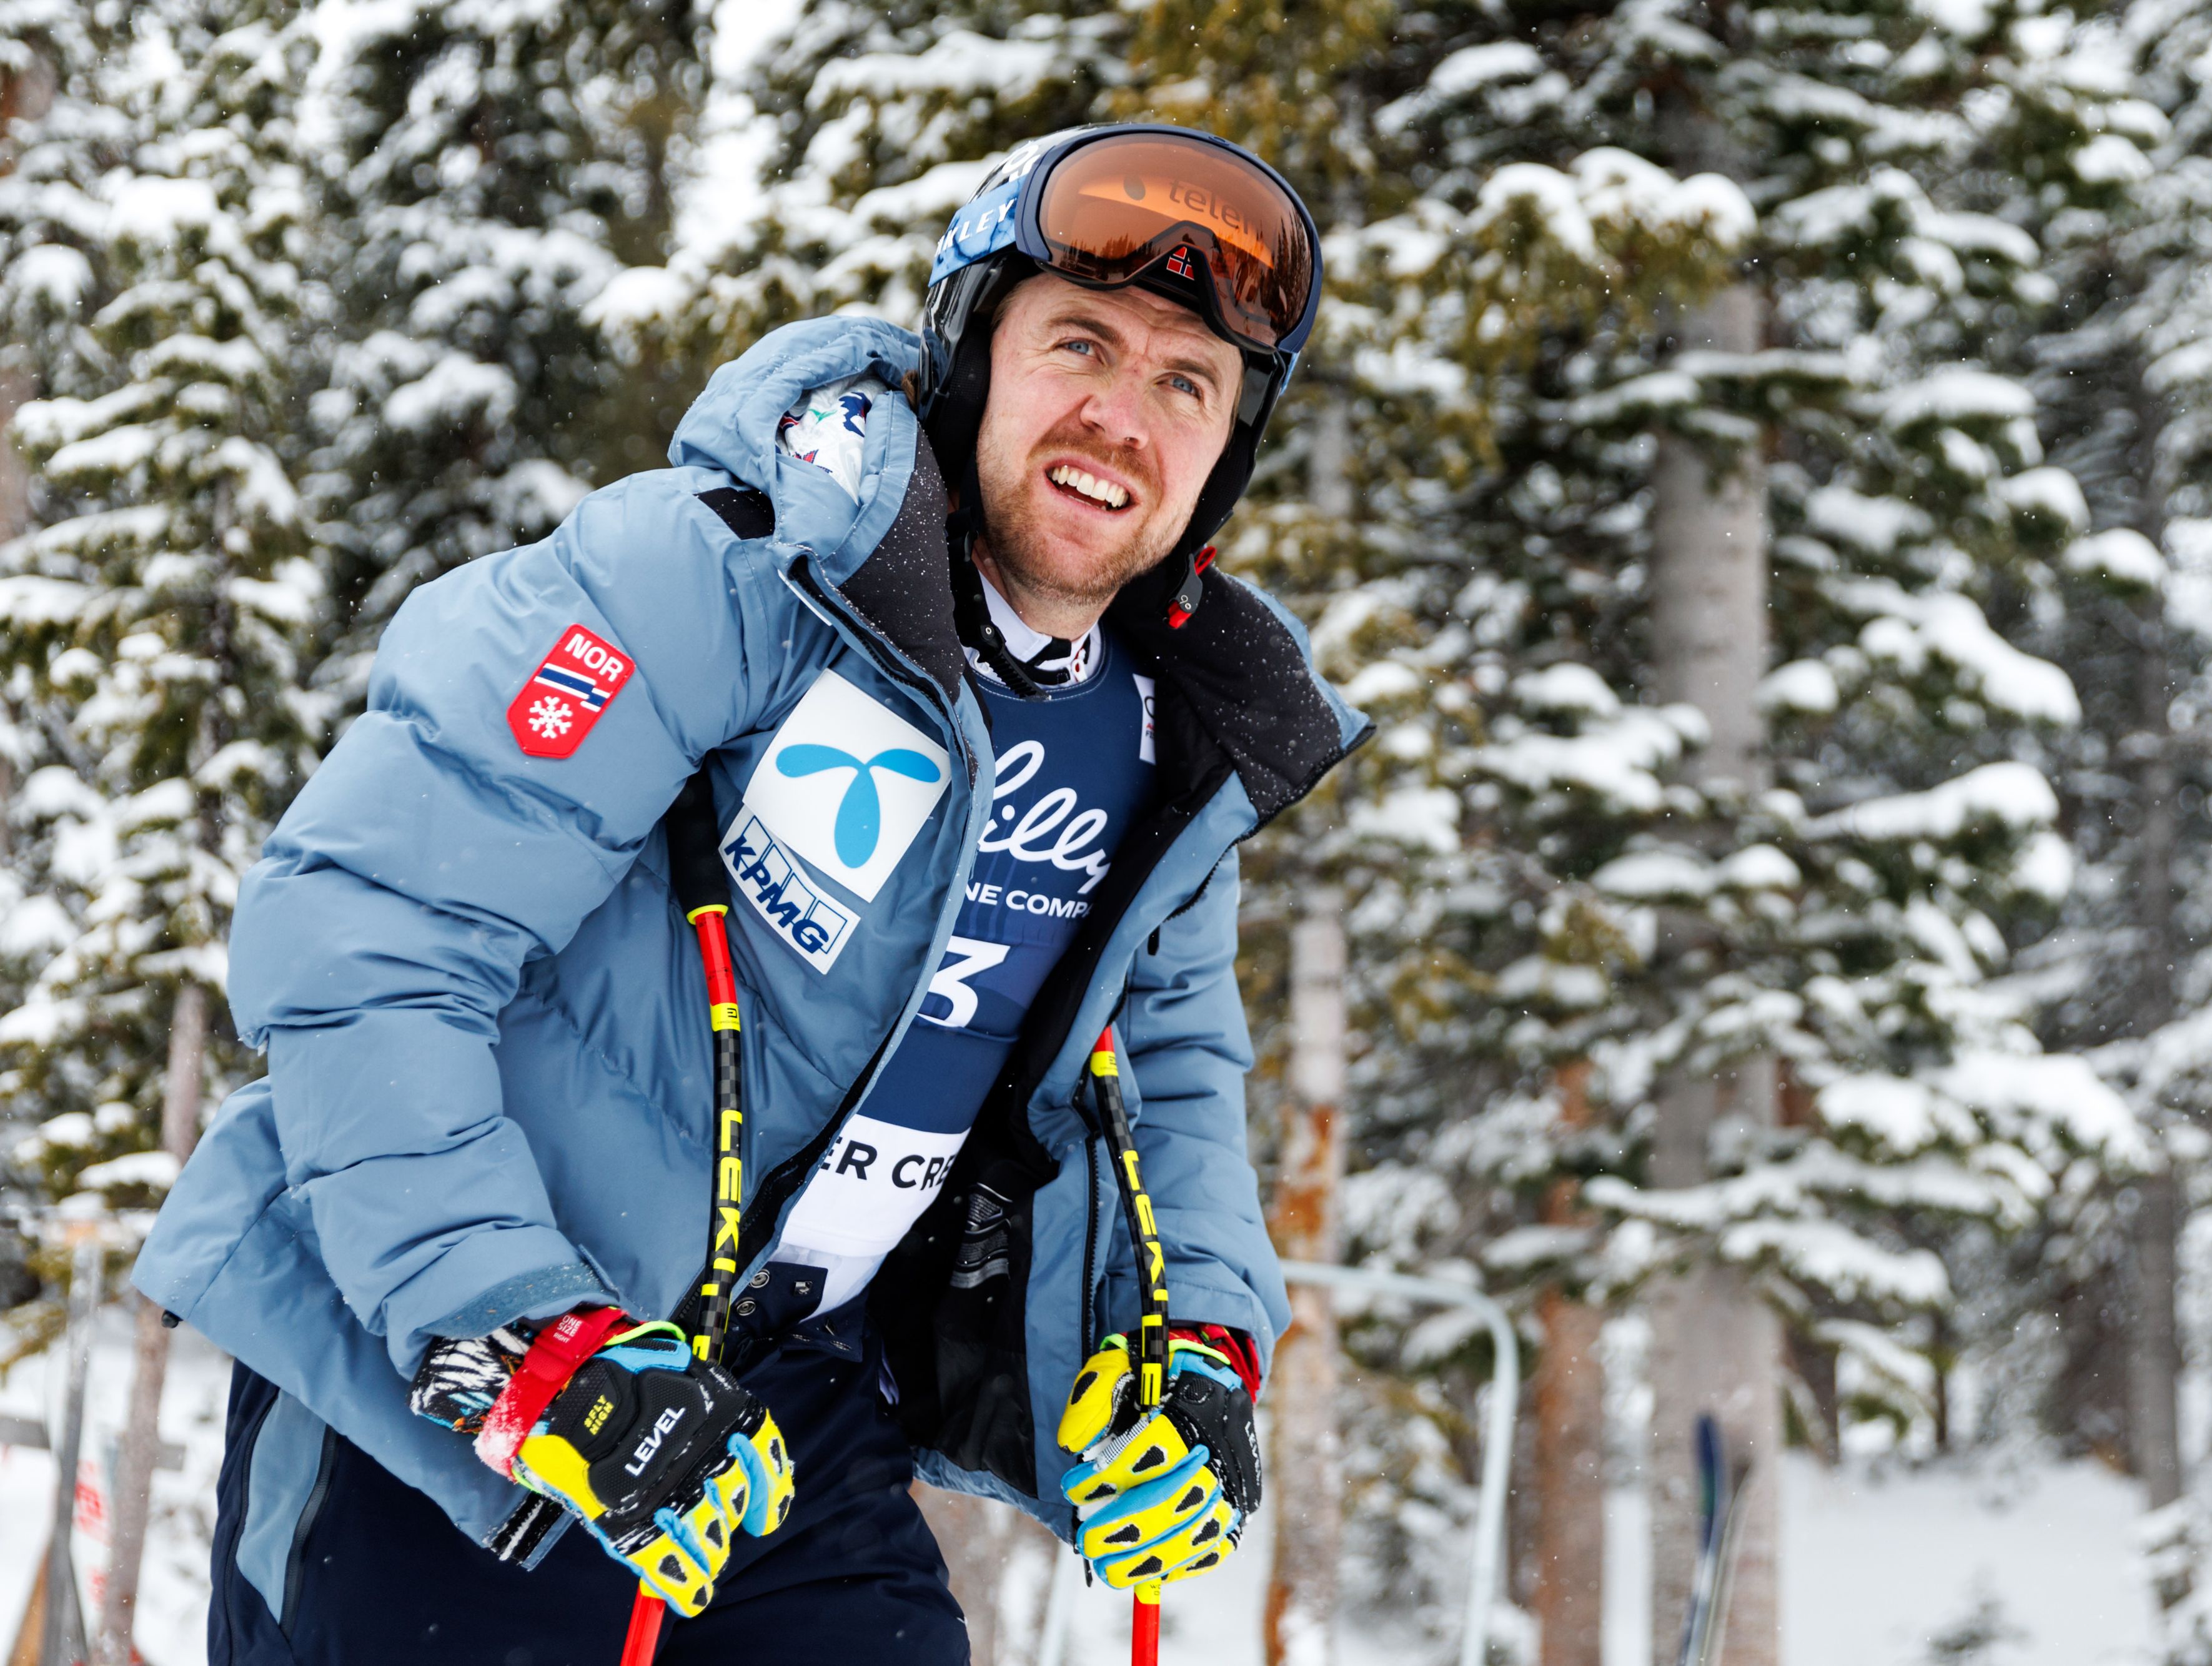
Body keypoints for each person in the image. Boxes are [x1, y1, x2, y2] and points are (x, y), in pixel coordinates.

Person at [136, 124, 1365, 1666]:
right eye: (1079, 344)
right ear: (969, 351)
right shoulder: (724, 573)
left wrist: (1203, 1351)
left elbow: (1171, 1076)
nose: (1120, 416)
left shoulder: (1165, 735)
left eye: (1187, 383)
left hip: (778, 1416)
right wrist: (521, 1331)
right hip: (454, 1385)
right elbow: (370, 926)